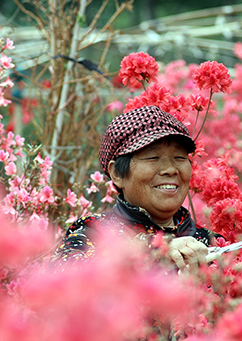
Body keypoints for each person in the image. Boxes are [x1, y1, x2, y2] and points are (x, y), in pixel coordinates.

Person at [53, 105, 216, 269]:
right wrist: (154, 252)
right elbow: (64, 277)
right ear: (117, 174)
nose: (171, 170)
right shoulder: (93, 232)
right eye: (153, 157)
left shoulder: (208, 240)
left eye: (179, 157)